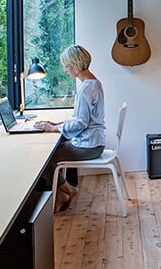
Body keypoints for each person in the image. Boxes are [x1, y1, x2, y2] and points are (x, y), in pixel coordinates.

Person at [36, 45, 106, 212]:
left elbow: (80, 123)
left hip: (89, 147)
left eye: (66, 66)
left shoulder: (85, 89)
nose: (65, 70)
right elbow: (81, 119)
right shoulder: (94, 83)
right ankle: (62, 194)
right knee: (51, 154)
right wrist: (56, 125)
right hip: (95, 142)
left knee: (43, 161)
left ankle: (68, 191)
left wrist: (53, 129)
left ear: (75, 64)